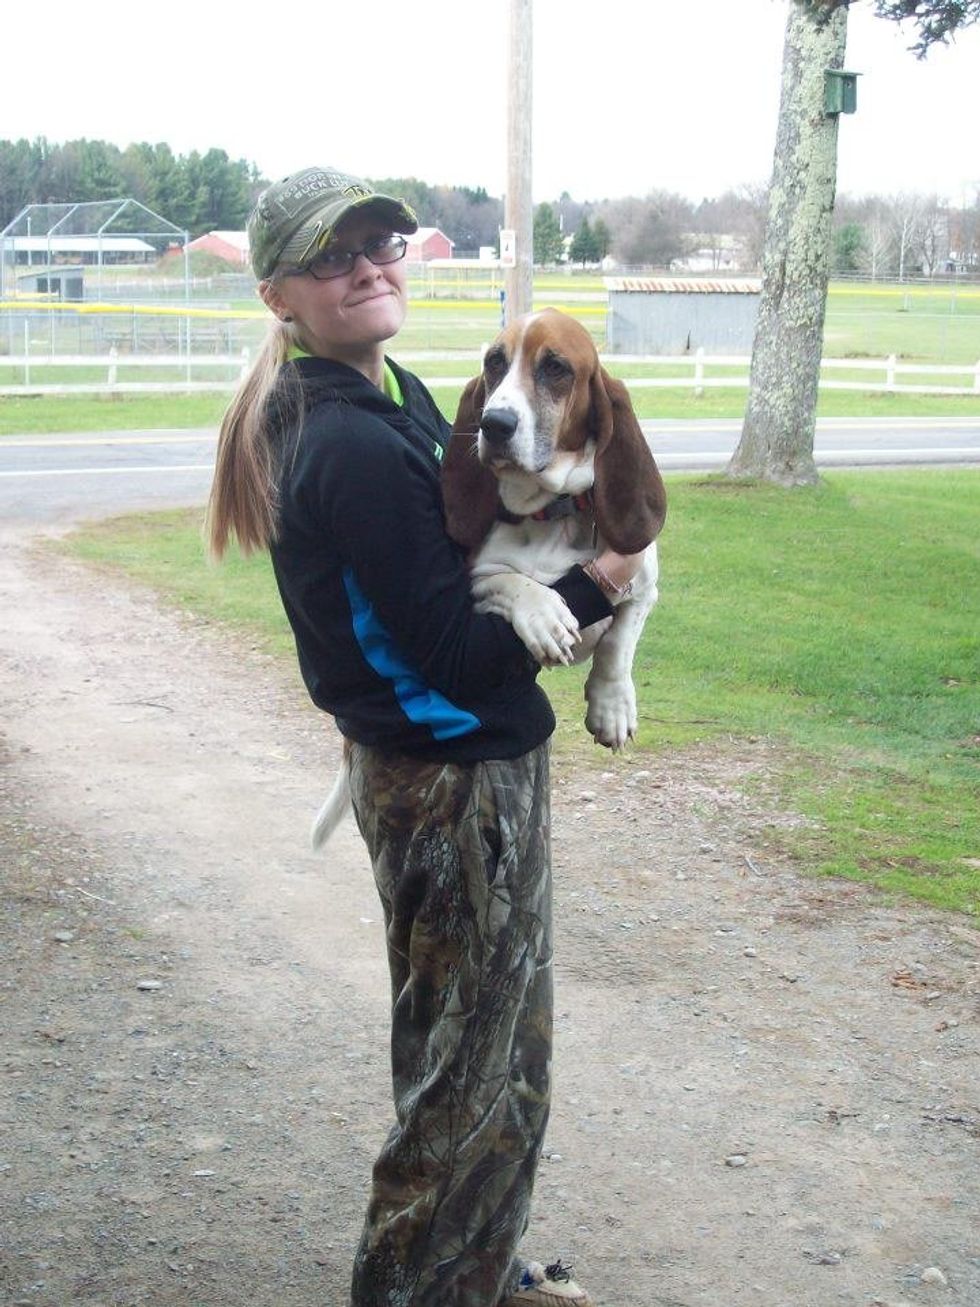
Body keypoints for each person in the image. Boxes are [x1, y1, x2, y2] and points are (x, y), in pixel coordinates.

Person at [206, 166, 645, 1307]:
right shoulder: (344, 439)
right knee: (471, 1075)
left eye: (381, 244)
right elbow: (457, 653)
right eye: (331, 256)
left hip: (458, 768)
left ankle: (477, 1264)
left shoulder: (392, 397)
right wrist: (603, 578)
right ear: (278, 295)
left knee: (487, 1056)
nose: (366, 267)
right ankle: (417, 1288)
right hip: (449, 779)